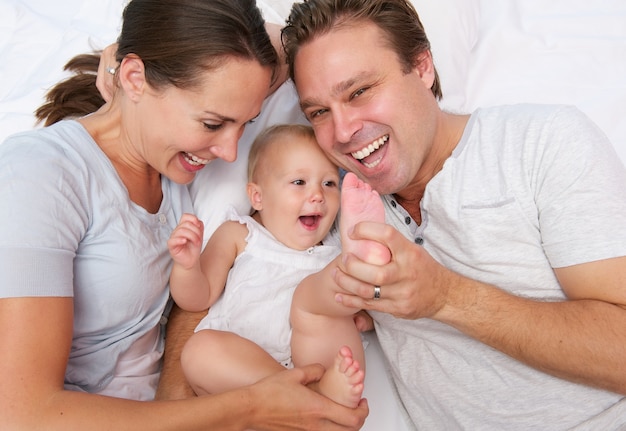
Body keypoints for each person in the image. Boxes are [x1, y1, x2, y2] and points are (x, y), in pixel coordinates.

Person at [0, 0, 368, 429]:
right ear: (136, 78)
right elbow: (20, 413)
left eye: (245, 125)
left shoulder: (172, 171)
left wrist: (126, 49)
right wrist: (252, 405)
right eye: (213, 125)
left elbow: (289, 47)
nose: (229, 153)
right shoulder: (41, 172)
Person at [280, 0, 626, 429]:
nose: (344, 131)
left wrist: (446, 297)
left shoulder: (542, 143)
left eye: (360, 91)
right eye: (318, 112)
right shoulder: (327, 199)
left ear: (422, 66)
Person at [168, 124, 388, 408]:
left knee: (321, 295)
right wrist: (187, 267)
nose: (318, 195)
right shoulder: (240, 233)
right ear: (257, 197)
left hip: (318, 365)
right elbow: (197, 298)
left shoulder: (335, 247)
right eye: (299, 182)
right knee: (198, 351)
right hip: (245, 374)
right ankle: (307, 400)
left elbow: (359, 311)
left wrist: (364, 316)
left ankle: (363, 258)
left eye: (329, 183)